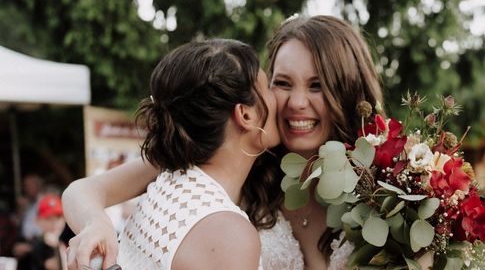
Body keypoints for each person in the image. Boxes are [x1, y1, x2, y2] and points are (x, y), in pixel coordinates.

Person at [62, 15, 383, 269]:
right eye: (282, 83)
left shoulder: (389, 185)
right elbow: (84, 190)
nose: (296, 102)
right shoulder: (210, 156)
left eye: (317, 86)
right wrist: (96, 223)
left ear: (347, 91)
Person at [63, 38, 280, 270]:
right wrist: (96, 223)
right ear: (245, 115)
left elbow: (78, 189)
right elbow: (80, 190)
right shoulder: (229, 234)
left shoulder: (173, 170)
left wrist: (95, 223)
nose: (278, 96)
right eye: (268, 86)